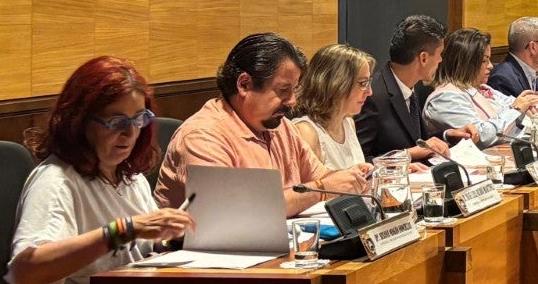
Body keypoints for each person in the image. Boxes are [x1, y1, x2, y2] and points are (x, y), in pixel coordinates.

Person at [4, 57, 195, 284]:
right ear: (79, 122)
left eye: (139, 120)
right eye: (116, 121)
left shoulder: (128, 177)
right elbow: (26, 270)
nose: (129, 133)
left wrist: (170, 240)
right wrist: (121, 231)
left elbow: (141, 252)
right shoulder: (56, 182)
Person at [157, 33, 369, 215]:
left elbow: (322, 177)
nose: (293, 101)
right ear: (244, 84)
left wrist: (353, 178)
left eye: (294, 90)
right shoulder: (203, 136)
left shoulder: (281, 127)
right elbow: (234, 213)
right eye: (283, 90)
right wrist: (322, 188)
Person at [424, 28, 538, 145]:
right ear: (465, 64)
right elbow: (482, 136)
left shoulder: (484, 89)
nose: (490, 66)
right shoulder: (446, 98)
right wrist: (517, 109)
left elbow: (519, 118)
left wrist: (532, 108)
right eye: (484, 60)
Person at [354, 15, 452, 162]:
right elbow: (359, 162)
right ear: (423, 58)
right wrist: (407, 154)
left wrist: (449, 134)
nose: (440, 60)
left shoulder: (411, 86)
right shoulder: (372, 96)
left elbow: (417, 139)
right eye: (439, 54)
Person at [295, 44, 379, 173]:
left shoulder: (348, 123)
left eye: (369, 83)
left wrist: (389, 170)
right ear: (336, 84)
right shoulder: (307, 132)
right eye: (363, 83)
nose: (370, 92)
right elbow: (305, 190)